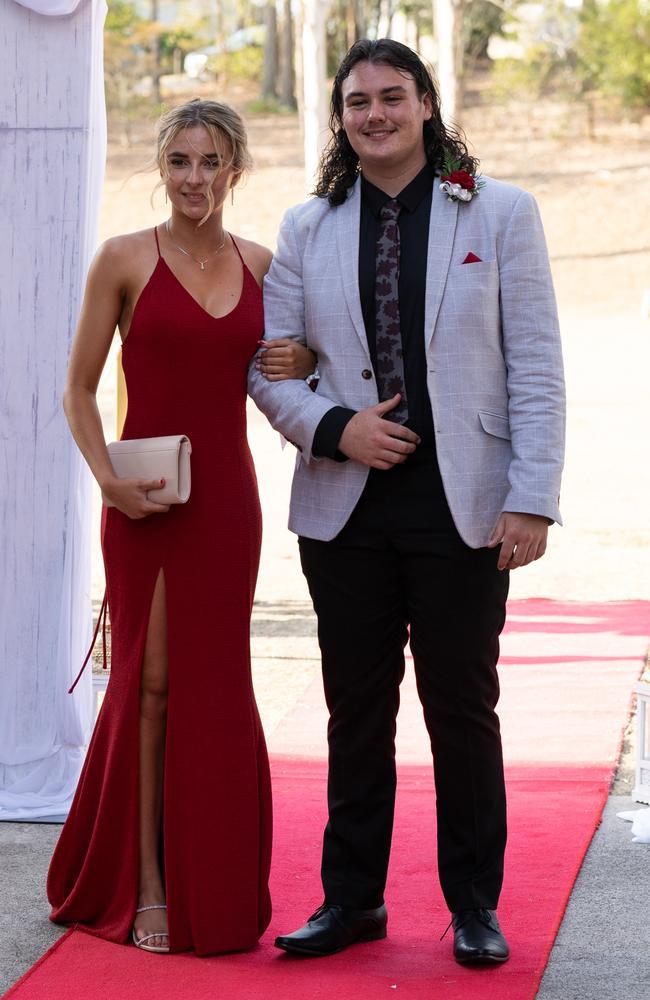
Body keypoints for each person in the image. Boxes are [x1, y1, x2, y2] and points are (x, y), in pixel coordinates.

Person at [248, 39, 565, 966]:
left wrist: (531, 499)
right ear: (340, 118)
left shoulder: (501, 212)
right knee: (355, 709)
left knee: (461, 708)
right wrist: (334, 425)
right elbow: (268, 366)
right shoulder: (309, 226)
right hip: (345, 507)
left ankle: (474, 905)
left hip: (462, 504)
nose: (375, 114)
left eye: (393, 97)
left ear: (427, 105)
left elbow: (536, 366)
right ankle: (351, 900)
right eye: (358, 102)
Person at [47, 99, 316, 956]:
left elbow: (298, 363)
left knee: (215, 686)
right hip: (142, 504)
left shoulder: (267, 267)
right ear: (159, 168)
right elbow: (79, 391)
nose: (193, 179)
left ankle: (220, 884)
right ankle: (149, 885)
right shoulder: (123, 258)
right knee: (152, 686)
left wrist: (302, 357)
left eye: (210, 163)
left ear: (235, 171)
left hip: (227, 506)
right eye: (179, 162)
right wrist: (108, 486)